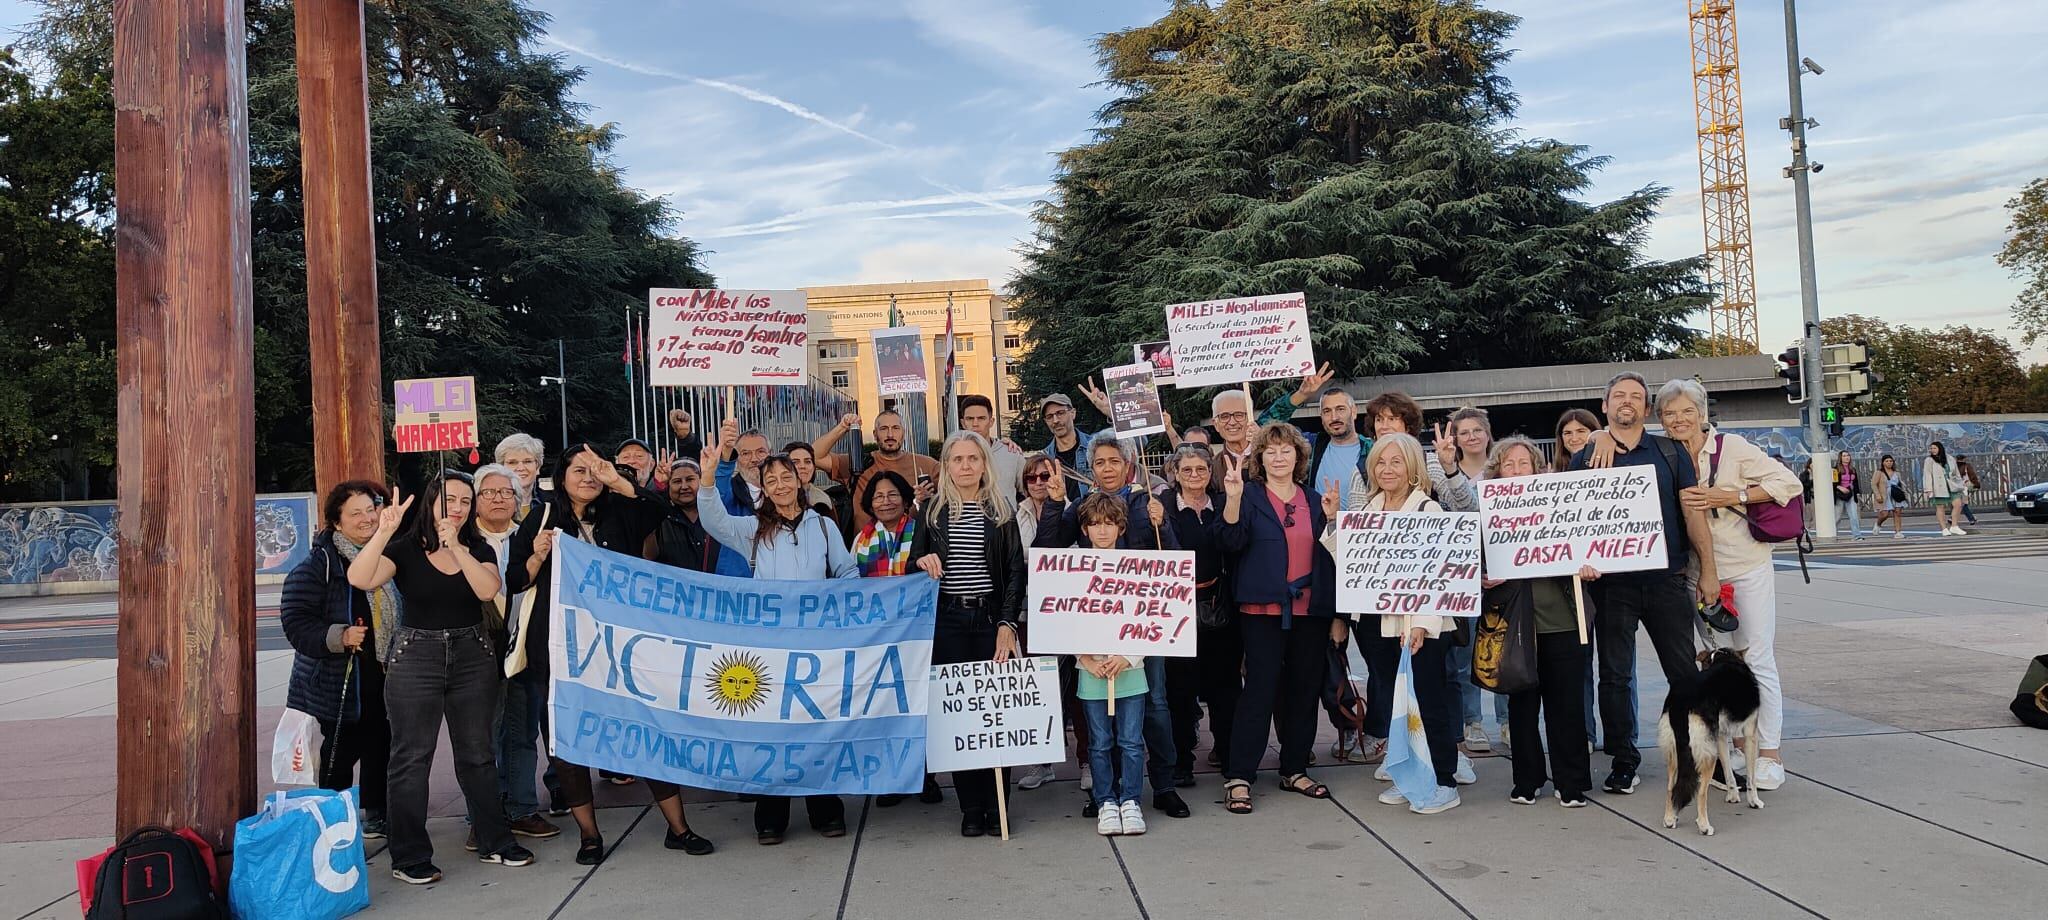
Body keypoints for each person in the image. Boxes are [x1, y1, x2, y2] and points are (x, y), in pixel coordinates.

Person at [505, 445, 714, 866]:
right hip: (562, 652)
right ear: (560, 477)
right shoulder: (543, 518)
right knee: (568, 743)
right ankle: (589, 835)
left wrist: (618, 480)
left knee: (646, 730)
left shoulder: (620, 511)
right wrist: (539, 554)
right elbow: (514, 580)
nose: (587, 477)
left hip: (621, 648)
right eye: (578, 470)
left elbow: (659, 509)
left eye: (594, 471)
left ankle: (679, 828)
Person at [346, 471, 531, 883]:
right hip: (416, 655)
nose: (458, 508)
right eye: (450, 499)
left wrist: (457, 548)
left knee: (477, 754)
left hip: (471, 654)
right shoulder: (405, 549)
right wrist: (384, 531)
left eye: (466, 501)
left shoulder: (478, 546)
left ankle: (495, 840)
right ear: (431, 501)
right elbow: (360, 577)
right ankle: (409, 854)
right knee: (411, 757)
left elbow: (486, 590)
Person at [696, 441, 858, 843]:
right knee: (773, 731)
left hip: (816, 646)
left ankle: (825, 808)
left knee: (816, 727)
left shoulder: (823, 525)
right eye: (772, 479)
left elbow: (845, 571)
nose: (782, 484)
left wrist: (851, 612)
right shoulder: (751, 529)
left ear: (801, 479)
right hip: (768, 647)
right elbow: (713, 520)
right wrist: (708, 476)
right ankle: (772, 814)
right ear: (763, 488)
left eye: (787, 476)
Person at [1574, 372, 1718, 796]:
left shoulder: (1670, 452)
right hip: (1612, 586)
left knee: (1684, 673)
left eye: (1636, 397)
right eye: (1618, 395)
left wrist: (1708, 570)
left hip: (1666, 580)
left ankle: (1702, 755)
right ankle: (1623, 760)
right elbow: (1572, 517)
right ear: (1604, 405)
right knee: (1615, 676)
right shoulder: (1587, 454)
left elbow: (1693, 515)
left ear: (1646, 409)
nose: (1627, 402)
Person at [1033, 430, 1189, 820]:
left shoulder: (1146, 501)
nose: (1106, 469)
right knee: (1104, 712)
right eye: (1099, 462)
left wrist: (1163, 524)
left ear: (1128, 465)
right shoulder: (1081, 507)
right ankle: (1108, 791)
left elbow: (1172, 563)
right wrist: (1054, 505)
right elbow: (1046, 553)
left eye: (1113, 461)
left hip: (1141, 628)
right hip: (1094, 625)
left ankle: (1164, 785)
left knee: (1152, 704)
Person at [1656, 378, 1802, 793]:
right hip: (1695, 574)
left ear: (1702, 413)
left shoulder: (1732, 448)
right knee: (1720, 660)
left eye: (1688, 411)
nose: (1680, 419)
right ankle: (1736, 746)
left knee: (1756, 656)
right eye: (1670, 413)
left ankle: (1769, 752)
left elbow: (1787, 483)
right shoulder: (1664, 453)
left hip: (1745, 567)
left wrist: (1730, 494)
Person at [1319, 433, 1464, 815]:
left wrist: (1420, 624)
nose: (1387, 469)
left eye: (1396, 462)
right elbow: (1348, 562)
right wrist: (1334, 521)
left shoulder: (1427, 511)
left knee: (1429, 702)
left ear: (1412, 468)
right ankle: (1410, 774)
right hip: (1375, 624)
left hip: (1419, 628)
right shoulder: (1368, 509)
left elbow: (1438, 574)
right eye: (1381, 462)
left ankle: (1444, 780)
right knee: (1398, 703)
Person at [910, 431, 1029, 837]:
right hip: (948, 621)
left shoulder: (1001, 509)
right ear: (946, 466)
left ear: (984, 464)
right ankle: (971, 807)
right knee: (959, 717)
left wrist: (1007, 625)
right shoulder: (930, 511)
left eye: (972, 459)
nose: (965, 466)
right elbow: (912, 564)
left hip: (990, 618)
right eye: (956, 459)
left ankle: (999, 804)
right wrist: (922, 560)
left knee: (995, 713)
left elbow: (1015, 572)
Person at [1215, 423, 1338, 814]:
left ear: (1298, 458)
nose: (1279, 457)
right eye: (1271, 451)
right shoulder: (1247, 496)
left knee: (1304, 690)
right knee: (1259, 691)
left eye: (1286, 450)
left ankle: (1295, 767)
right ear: (1260, 458)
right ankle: (1239, 775)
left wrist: (1333, 521)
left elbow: (1333, 559)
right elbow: (1230, 543)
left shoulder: (1316, 500)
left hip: (1310, 611)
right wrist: (1232, 499)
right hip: (1262, 612)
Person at [1479, 437, 1598, 808]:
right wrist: (1483, 575)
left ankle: (1572, 782)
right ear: (1497, 471)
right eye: (1508, 464)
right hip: (1515, 624)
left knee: (1567, 705)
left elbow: (1590, 545)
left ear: (1537, 468)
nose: (1516, 470)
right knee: (1522, 707)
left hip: (1563, 619)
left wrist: (1590, 566)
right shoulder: (1486, 513)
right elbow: (1470, 562)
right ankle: (1527, 781)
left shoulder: (1561, 505)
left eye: (1523, 463)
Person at [280, 480, 394, 840]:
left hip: (383, 675)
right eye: (355, 513)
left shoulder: (392, 555)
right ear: (337, 522)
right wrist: (338, 636)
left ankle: (377, 814)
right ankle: (332, 823)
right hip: (336, 682)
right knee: (338, 756)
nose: (366, 518)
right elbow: (295, 621)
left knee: (382, 747)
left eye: (371, 509)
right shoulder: (320, 565)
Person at [470, 464, 559, 842]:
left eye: (507, 493)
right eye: (489, 492)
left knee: (522, 733)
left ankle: (522, 808)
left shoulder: (530, 535)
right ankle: (484, 818)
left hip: (523, 646)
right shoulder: (461, 540)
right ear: (475, 499)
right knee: (481, 738)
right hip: (476, 649)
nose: (499, 499)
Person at [1070, 491, 1152, 837]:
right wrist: (1085, 658)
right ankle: (1105, 801)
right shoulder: (1072, 566)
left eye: (1108, 524)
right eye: (1094, 524)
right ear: (1085, 529)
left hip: (1130, 670)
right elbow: (1062, 617)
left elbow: (1153, 617)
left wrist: (1127, 656)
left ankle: (1130, 800)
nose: (1102, 531)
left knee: (1131, 741)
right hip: (1090, 672)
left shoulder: (1138, 565)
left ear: (1120, 528)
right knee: (1099, 742)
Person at [1428, 407, 1507, 754]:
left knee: (1506, 653)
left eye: (1477, 430)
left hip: (1506, 574)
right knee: (1464, 655)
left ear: (1488, 433)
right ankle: (1472, 722)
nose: (1472, 436)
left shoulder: (1505, 469)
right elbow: (1465, 515)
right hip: (1464, 577)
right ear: (1454, 439)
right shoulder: (1444, 478)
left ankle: (1507, 721)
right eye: (1464, 432)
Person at [1163, 444, 1239, 782]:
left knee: (1225, 686)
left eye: (1201, 469)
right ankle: (1181, 761)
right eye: (1187, 470)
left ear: (1211, 473)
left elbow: (1234, 544)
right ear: (1175, 474)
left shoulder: (1223, 504)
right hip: (1175, 610)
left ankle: (1226, 750)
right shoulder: (1160, 506)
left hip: (1217, 605)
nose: (1195, 476)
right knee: (1179, 690)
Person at [1010, 455, 1066, 792]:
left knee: (1073, 689)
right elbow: (1018, 556)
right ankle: (1040, 762)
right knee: (1037, 687)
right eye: (1031, 477)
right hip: (1029, 610)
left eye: (1045, 475)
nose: (1039, 481)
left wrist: (1034, 556)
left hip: (1067, 610)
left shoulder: (1073, 508)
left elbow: (1070, 550)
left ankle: (1086, 760)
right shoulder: (1015, 514)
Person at [1554, 406, 1608, 751]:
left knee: (1619, 667)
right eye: (1568, 433)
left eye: (1582, 431)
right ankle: (1585, 732)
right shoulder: (1549, 476)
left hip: (1613, 580)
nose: (1575, 438)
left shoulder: (1611, 464)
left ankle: (1621, 736)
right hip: (1570, 585)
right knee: (1580, 665)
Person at [649, 458, 724, 572]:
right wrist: (659, 488)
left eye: (690, 479)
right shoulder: (660, 518)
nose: (684, 486)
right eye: (677, 481)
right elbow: (648, 556)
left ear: (701, 480)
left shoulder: (717, 514)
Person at [960, 394, 1026, 496]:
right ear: (963, 423)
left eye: (981, 418)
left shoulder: (1011, 453)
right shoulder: (954, 458)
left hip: (1006, 512)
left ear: (991, 422)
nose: (975, 424)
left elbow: (1029, 492)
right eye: (970, 419)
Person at [1039, 394, 1093, 493]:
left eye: (1060, 413)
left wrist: (1107, 411)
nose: (1055, 420)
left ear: (1073, 413)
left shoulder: (1095, 446)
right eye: (1049, 416)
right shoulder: (1044, 459)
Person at [494, 433, 547, 516]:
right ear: (501, 468)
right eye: (512, 463)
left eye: (527, 461)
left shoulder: (555, 503)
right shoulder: (489, 505)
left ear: (538, 466)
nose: (520, 468)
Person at [1922, 441, 1966, 536]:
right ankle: (1944, 528)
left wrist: (1960, 484)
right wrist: (1928, 489)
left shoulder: (1949, 458)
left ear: (1940, 448)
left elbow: (1956, 472)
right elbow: (1927, 475)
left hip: (1951, 485)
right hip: (1938, 486)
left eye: (1934, 448)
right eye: (1931, 448)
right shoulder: (1929, 460)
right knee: (1940, 507)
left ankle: (1954, 526)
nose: (1932, 450)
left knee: (1957, 504)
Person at [1553, 409, 1599, 475]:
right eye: (1568, 433)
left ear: (1594, 432)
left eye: (1581, 431)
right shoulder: (1556, 472)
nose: (1574, 439)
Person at [1833, 451, 1865, 540]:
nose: (1847, 457)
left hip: (1851, 494)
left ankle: (1857, 535)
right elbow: (1833, 483)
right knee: (1837, 517)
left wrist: (1857, 494)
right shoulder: (1835, 469)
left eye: (1848, 455)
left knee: (1854, 515)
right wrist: (1840, 487)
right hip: (1839, 495)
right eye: (1844, 456)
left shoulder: (1852, 469)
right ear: (1840, 458)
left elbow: (1856, 483)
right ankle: (1833, 535)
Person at [1874, 454, 1907, 539]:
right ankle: (1878, 523)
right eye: (1887, 461)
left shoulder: (1896, 473)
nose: (1889, 463)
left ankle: (1898, 531)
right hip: (1885, 495)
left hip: (1896, 494)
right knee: (1885, 514)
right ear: (1883, 462)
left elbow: (1900, 484)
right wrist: (1878, 495)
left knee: (1897, 512)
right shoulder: (1879, 473)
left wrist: (1904, 494)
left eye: (1891, 461)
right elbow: (1874, 484)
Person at [1956, 456, 1982, 526]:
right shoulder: (1967, 466)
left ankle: (1952, 518)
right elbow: (1972, 476)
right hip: (1964, 487)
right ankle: (1971, 518)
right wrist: (1976, 484)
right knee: (1963, 504)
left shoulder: (1954, 467)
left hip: (1955, 487)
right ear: (1964, 459)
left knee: (1957, 503)